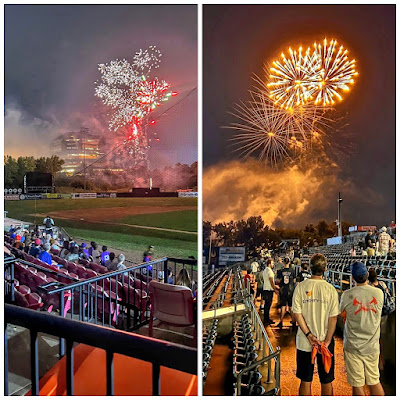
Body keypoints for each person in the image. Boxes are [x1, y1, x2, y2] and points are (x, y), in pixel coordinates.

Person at [292, 253, 340, 396]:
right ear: (325, 269)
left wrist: (308, 335)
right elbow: (333, 318)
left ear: (310, 268)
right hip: (325, 343)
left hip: (305, 343)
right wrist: (327, 340)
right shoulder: (330, 289)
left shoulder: (301, 287)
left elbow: (297, 314)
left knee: (305, 380)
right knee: (326, 380)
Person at [340, 262, 384, 396]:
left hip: (353, 345)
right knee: (374, 380)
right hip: (372, 345)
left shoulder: (347, 295)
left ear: (352, 278)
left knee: (357, 383)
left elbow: (341, 314)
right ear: (367, 275)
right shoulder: (378, 293)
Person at [276, 257, 296, 328]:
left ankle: (281, 321)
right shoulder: (292, 271)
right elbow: (294, 281)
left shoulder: (281, 271)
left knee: (283, 306)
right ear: (289, 262)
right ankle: (293, 321)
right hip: (290, 290)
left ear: (283, 263)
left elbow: (278, 280)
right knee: (290, 306)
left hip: (283, 289)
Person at [262, 258, 277, 325]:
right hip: (269, 290)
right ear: (269, 264)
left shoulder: (265, 270)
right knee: (268, 305)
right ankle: (266, 320)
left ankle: (266, 318)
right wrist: (274, 288)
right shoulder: (270, 271)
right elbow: (271, 281)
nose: (273, 264)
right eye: (272, 263)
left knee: (266, 305)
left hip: (265, 288)